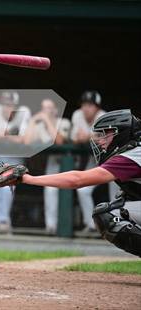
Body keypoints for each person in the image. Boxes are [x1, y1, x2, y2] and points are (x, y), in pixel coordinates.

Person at [18, 109, 140, 256]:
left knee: (107, 214)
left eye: (107, 134)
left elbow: (77, 180)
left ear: (122, 134)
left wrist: (28, 179)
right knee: (124, 196)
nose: (101, 141)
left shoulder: (130, 156)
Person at [23, 98, 71, 234]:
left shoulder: (64, 122)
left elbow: (60, 141)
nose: (46, 111)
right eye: (43, 108)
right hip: (53, 162)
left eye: (49, 108)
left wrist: (48, 120)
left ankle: (75, 226)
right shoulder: (40, 125)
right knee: (50, 191)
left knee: (72, 192)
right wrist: (33, 120)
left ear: (56, 109)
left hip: (70, 163)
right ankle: (51, 226)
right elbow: (27, 141)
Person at [0, 91, 31, 233]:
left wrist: (5, 135)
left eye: (10, 105)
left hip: (16, 156)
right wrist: (12, 135)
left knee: (6, 189)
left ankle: (5, 221)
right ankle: (1, 222)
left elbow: (23, 140)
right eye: (5, 104)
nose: (7, 108)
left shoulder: (24, 111)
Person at [71, 91, 111, 232]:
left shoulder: (103, 115)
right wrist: (90, 136)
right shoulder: (77, 115)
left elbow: (105, 138)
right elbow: (75, 138)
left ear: (97, 107)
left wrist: (87, 136)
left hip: (112, 161)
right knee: (82, 190)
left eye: (90, 105)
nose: (86, 108)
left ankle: (119, 225)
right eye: (84, 104)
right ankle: (92, 225)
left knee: (116, 193)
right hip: (94, 162)